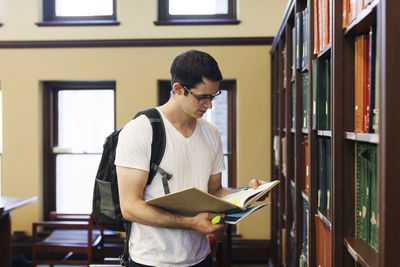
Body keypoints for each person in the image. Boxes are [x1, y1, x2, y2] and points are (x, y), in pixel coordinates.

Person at [115, 49, 266, 267]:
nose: (209, 105)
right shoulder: (141, 130)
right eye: (202, 97)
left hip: (201, 257)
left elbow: (214, 192)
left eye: (213, 96)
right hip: (151, 260)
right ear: (178, 89)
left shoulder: (211, 133)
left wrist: (247, 193)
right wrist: (190, 223)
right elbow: (129, 207)